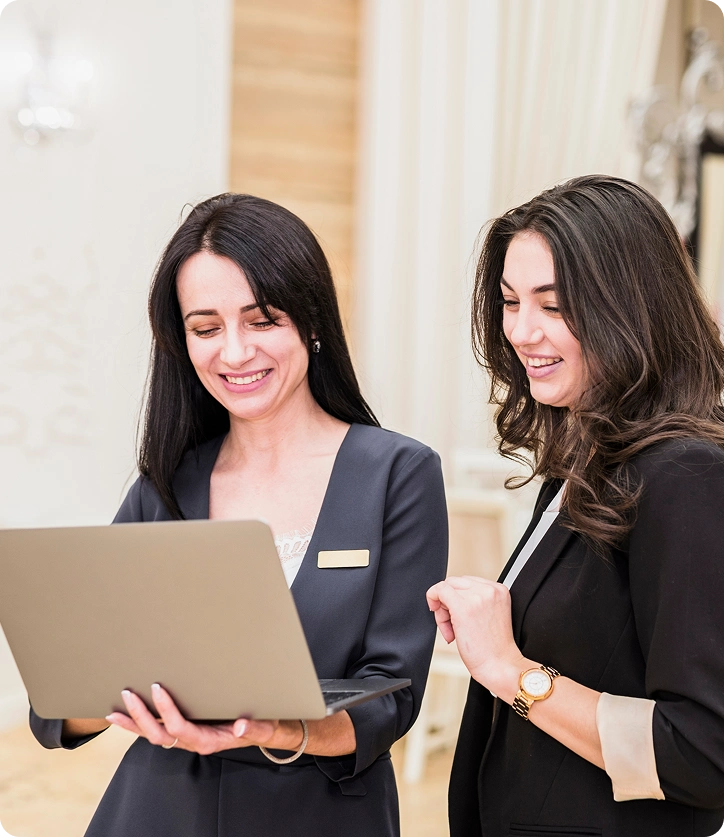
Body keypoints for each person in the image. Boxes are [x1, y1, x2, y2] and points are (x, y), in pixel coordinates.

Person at [30, 193, 448, 837]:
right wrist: (130, 708)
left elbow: (392, 698)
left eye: (261, 320)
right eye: (205, 327)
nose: (233, 353)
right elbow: (59, 703)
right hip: (159, 812)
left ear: (310, 321)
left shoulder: (397, 474)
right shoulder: (166, 485)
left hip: (323, 817)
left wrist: (282, 729)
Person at [427, 175, 724, 836]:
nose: (521, 332)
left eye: (553, 305)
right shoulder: (584, 457)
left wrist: (513, 671)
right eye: (509, 301)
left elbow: (703, 750)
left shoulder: (688, 477)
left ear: (635, 308)